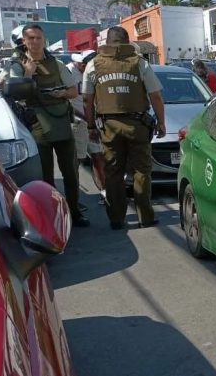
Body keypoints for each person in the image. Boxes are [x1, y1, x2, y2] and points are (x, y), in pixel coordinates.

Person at [82, 26, 166, 230]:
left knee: (113, 172)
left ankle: (117, 218)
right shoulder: (140, 63)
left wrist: (91, 125)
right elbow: (155, 95)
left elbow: (87, 99)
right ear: (127, 41)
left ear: (107, 42)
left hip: (109, 127)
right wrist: (161, 122)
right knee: (141, 171)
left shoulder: (94, 64)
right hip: (137, 125)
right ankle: (145, 217)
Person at [9, 24, 90, 227]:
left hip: (60, 119)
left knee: (70, 172)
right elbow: (14, 93)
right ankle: (51, 217)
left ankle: (74, 211)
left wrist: (60, 94)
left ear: (43, 40)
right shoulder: (17, 64)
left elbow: (73, 91)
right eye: (31, 38)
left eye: (38, 38)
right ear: (24, 41)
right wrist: (28, 74)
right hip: (36, 123)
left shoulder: (56, 63)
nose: (35, 42)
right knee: (45, 175)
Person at [67, 50, 106, 202]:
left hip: (93, 122)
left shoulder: (93, 73)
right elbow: (68, 103)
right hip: (78, 123)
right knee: (77, 161)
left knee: (98, 157)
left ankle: (104, 192)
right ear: (81, 64)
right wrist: (87, 118)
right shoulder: (68, 72)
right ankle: (74, 199)